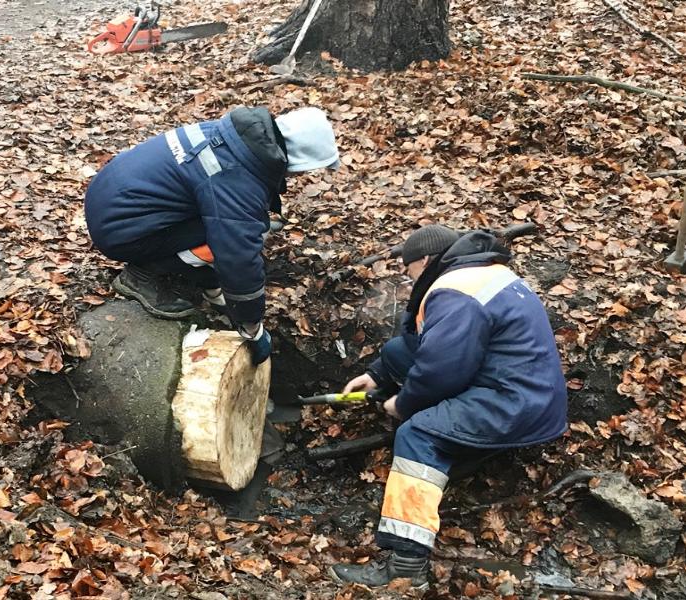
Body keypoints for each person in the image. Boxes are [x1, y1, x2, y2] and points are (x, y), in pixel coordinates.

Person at [330, 225, 568, 587]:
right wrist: (378, 376)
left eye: (408, 269)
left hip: (514, 403)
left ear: (423, 261)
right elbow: (417, 348)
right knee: (396, 353)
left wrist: (404, 404)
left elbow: (442, 370)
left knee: (416, 433)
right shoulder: (482, 272)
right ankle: (458, 451)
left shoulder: (456, 291)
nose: (408, 279)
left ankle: (406, 568)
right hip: (525, 390)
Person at [84, 106, 339, 364]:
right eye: (306, 170)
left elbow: (219, 212)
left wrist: (214, 284)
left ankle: (198, 275)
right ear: (296, 158)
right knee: (240, 236)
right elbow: (237, 257)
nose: (303, 176)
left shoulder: (236, 137)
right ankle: (142, 275)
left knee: (240, 228)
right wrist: (251, 327)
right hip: (120, 228)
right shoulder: (236, 178)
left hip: (112, 198)